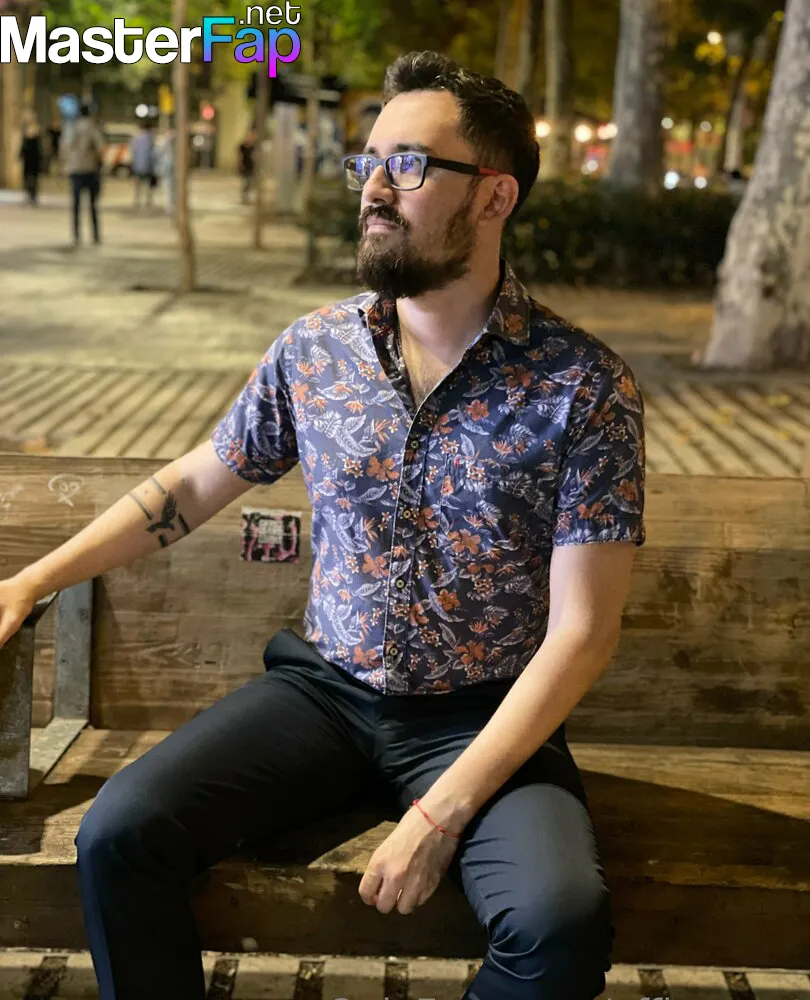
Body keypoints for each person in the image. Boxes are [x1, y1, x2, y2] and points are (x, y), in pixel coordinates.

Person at [0, 50, 645, 1000]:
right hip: (326, 697)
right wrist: (30, 580)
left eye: (408, 165)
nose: (374, 188)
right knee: (121, 833)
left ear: (495, 195)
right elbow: (192, 486)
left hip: (481, 716)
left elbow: (583, 633)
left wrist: (440, 816)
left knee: (559, 923)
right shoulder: (317, 350)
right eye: (368, 162)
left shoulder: (582, 386)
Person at [61, 104, 104, 246]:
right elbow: (100, 148)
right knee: (93, 204)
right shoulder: (93, 128)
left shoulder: (71, 128)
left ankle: (76, 234)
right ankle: (95, 234)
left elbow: (65, 147)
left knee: (76, 204)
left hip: (75, 169)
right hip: (90, 169)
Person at [130, 123, 156, 209]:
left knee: (138, 184)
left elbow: (133, 152)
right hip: (148, 165)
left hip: (137, 165)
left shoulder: (136, 138)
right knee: (148, 184)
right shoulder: (150, 138)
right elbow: (154, 152)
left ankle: (137, 200)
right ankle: (148, 200)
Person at [19, 116, 43, 206]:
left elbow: (39, 148)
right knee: (28, 178)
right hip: (28, 159)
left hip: (34, 159)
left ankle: (33, 195)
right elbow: (23, 146)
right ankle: (29, 194)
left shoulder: (37, 133)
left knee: (34, 178)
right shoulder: (26, 133)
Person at [154, 127, 176, 216]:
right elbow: (156, 154)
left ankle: (171, 206)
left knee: (171, 189)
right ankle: (169, 207)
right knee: (168, 189)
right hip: (165, 169)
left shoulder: (173, 144)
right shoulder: (162, 143)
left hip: (170, 168)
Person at [237, 126, 256, 203]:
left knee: (250, 182)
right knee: (246, 182)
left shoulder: (253, 146)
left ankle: (247, 196)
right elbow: (239, 156)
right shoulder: (242, 146)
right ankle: (244, 197)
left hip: (251, 166)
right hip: (245, 166)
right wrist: (240, 165)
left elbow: (255, 156)